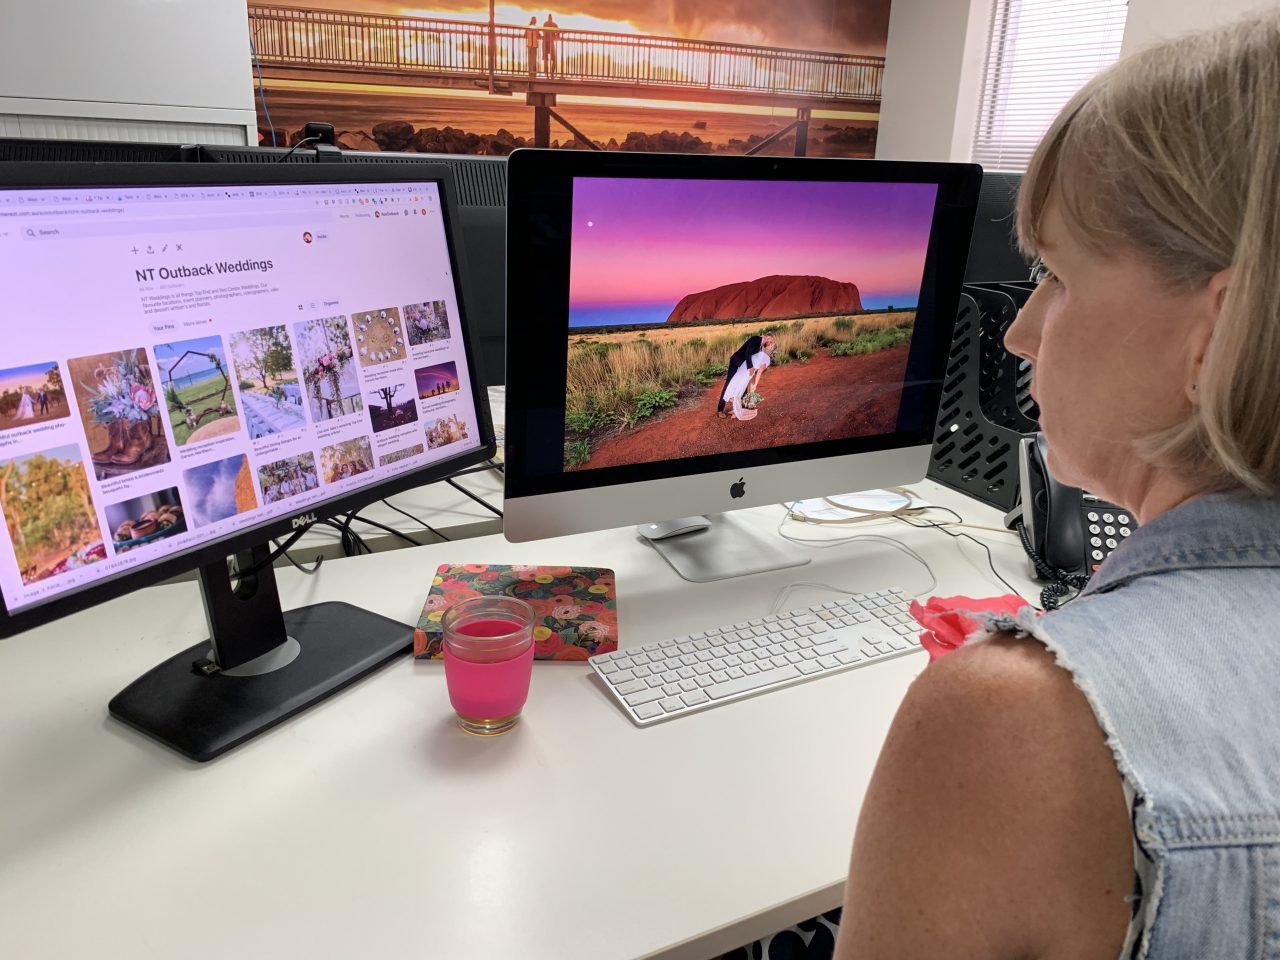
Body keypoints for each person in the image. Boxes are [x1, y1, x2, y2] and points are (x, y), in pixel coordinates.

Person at [716, 333, 774, 417]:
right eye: (770, 340)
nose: (770, 343)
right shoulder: (756, 339)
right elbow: (747, 353)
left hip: (743, 367)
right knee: (729, 384)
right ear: (767, 337)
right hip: (736, 363)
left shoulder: (760, 345)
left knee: (743, 386)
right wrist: (750, 367)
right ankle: (720, 410)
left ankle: (738, 408)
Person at [720, 349, 770, 421]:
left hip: (743, 368)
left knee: (734, 387)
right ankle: (736, 412)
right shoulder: (767, 359)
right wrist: (755, 385)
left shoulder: (759, 353)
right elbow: (759, 372)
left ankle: (735, 410)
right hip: (747, 372)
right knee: (738, 391)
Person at [541, 14, 559, 80]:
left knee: (546, 59)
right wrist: (555, 37)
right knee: (553, 59)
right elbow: (558, 32)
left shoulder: (545, 24)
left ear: (548, 18)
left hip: (545, 42)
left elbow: (543, 31)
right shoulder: (554, 24)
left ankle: (546, 73)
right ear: (552, 18)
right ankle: (552, 73)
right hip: (551, 42)